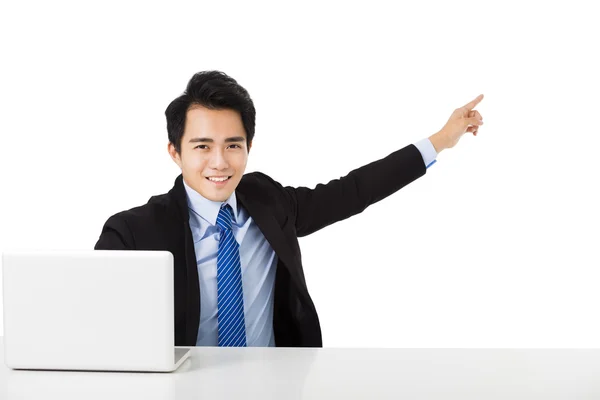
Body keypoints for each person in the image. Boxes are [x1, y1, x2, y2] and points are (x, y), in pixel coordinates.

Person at [95, 70, 484, 347]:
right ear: (174, 153)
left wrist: (440, 141)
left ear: (248, 147)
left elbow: (353, 191)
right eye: (202, 146)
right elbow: (99, 332)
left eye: (233, 145)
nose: (219, 162)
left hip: (273, 385)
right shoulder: (133, 233)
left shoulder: (268, 200)